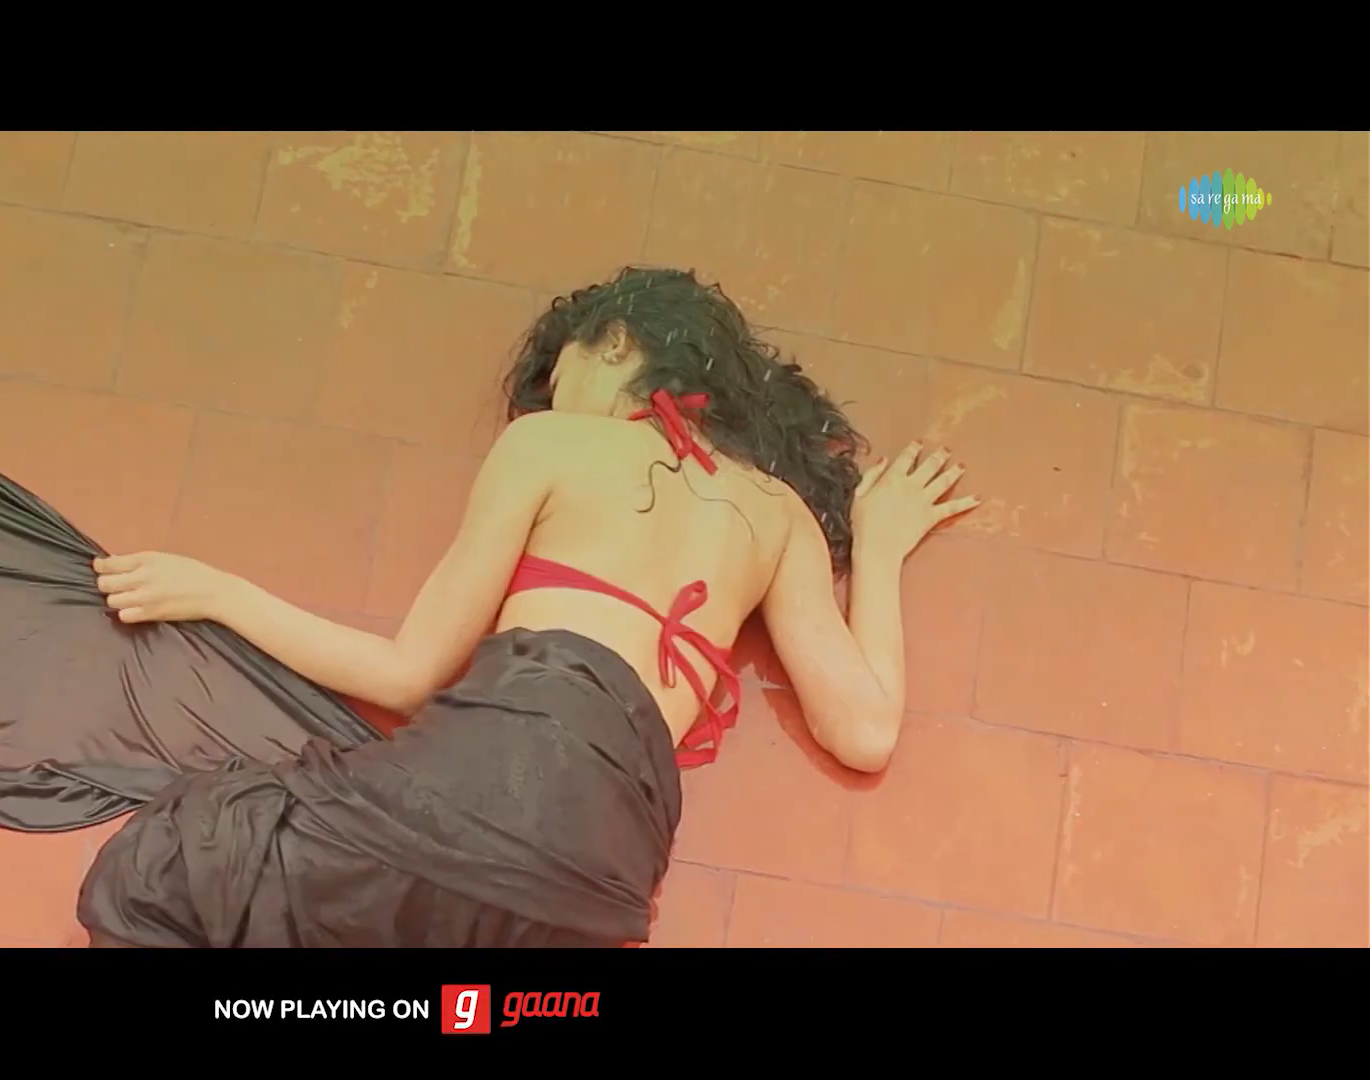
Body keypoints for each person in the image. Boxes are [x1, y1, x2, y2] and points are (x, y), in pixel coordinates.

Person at [78, 266, 978, 948]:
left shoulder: (549, 444)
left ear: (615, 343)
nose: (551, 397)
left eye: (561, 371)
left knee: (160, 869)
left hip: (459, 810)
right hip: (591, 902)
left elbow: (405, 675)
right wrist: (880, 547)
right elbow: (866, 733)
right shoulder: (779, 518)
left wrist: (220, 593)